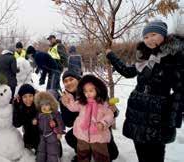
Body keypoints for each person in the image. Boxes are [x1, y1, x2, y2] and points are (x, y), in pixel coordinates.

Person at [105, 20, 184, 162]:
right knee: (141, 154)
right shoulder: (144, 58)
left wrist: (172, 117)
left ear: (163, 35)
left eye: (153, 34)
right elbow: (128, 72)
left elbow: (181, 90)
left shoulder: (174, 58)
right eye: (146, 37)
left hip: (157, 118)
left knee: (155, 156)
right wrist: (111, 56)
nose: (149, 39)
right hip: (137, 114)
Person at [62, 74, 114, 162]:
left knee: (101, 156)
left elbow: (110, 115)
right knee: (82, 154)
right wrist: (68, 100)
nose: (87, 94)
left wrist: (103, 123)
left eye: (91, 91)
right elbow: (73, 107)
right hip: (82, 135)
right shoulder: (82, 102)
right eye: (85, 91)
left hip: (98, 136)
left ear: (97, 90)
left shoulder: (102, 104)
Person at [33, 91, 65, 162]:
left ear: (51, 105)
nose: (44, 107)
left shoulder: (55, 114)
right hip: (42, 135)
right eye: (42, 105)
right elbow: (36, 119)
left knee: (52, 150)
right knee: (41, 149)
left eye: (47, 105)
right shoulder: (39, 114)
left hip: (51, 135)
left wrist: (59, 132)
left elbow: (60, 123)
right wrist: (35, 120)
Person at [12, 84, 40, 152]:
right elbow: (17, 124)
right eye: (25, 97)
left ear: (34, 96)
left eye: (30, 96)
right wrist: (16, 107)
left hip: (42, 136)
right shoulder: (21, 107)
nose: (28, 99)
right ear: (21, 98)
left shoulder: (39, 104)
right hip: (29, 136)